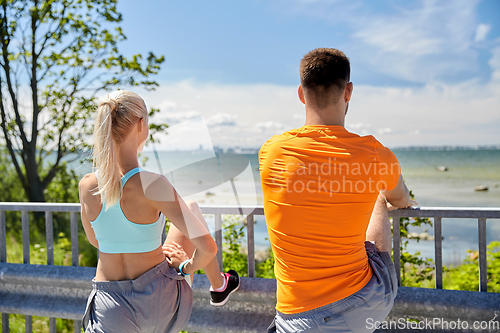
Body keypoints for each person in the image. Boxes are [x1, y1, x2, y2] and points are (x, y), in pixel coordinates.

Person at [259, 48, 417, 333]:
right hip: (360, 304)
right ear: (349, 92)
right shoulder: (375, 153)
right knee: (378, 200)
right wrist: (382, 196)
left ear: (300, 93)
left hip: (295, 313)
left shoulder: (272, 152)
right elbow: (402, 199)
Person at [79, 90, 240, 333]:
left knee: (192, 207)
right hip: (158, 301)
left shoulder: (88, 185)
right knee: (193, 207)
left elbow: (96, 240)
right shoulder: (153, 184)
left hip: (111, 308)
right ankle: (219, 286)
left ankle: (219, 285)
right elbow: (208, 248)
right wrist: (184, 265)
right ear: (141, 124)